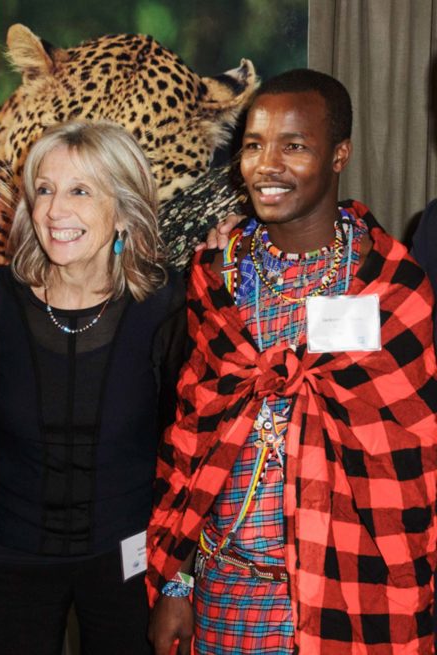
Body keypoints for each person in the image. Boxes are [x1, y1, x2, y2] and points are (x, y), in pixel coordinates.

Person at [146, 68, 437, 655]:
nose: (267, 165)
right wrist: (175, 582)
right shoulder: (216, 279)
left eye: (294, 146)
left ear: (339, 155)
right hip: (227, 591)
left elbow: (416, 457)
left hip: (354, 585)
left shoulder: (390, 285)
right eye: (253, 145)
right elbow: (188, 438)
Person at [0, 119, 186, 655]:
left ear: (122, 207)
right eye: (44, 189)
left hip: (127, 561)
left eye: (80, 191)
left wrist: (180, 575)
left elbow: (188, 447)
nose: (54, 211)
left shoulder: (164, 306)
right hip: (11, 558)